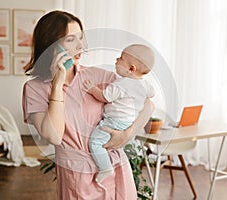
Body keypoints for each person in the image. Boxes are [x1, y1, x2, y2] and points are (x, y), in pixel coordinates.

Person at [22, 10, 154, 199]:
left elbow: (148, 104)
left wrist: (127, 134)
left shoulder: (98, 76)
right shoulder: (34, 89)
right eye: (70, 40)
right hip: (77, 176)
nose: (80, 46)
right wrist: (57, 84)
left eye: (80, 38)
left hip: (115, 169)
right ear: (50, 45)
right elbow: (53, 135)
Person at [83, 44, 155, 183]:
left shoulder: (121, 84)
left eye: (121, 58)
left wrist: (92, 89)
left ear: (131, 68)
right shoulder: (146, 85)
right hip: (129, 122)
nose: (116, 60)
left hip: (114, 121)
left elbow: (104, 97)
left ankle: (105, 168)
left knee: (95, 142)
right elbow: (151, 94)